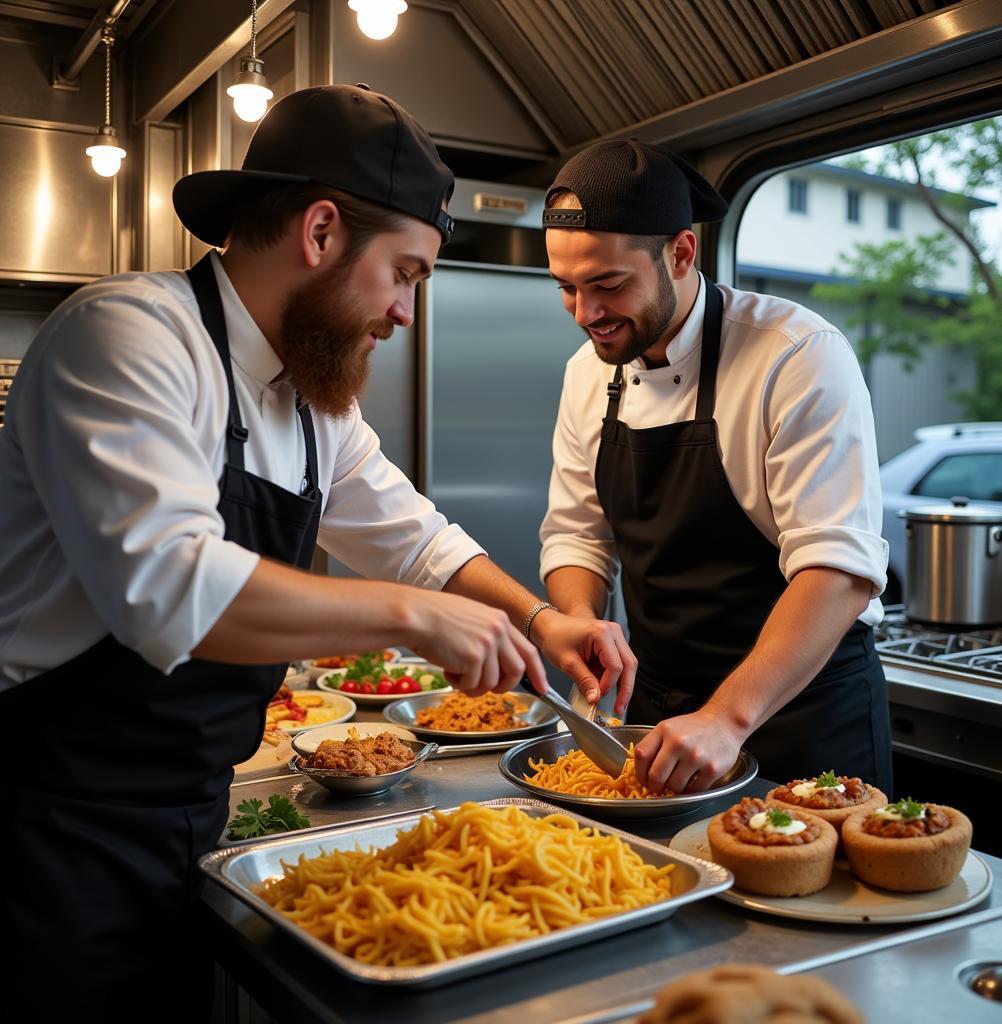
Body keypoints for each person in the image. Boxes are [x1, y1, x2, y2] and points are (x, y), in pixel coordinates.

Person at [0, 85, 633, 1020]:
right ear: (322, 231)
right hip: (49, 824)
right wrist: (416, 618)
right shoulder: (128, 337)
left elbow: (412, 538)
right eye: (407, 274)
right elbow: (166, 585)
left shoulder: (310, 400)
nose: (409, 312)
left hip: (191, 806)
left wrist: (544, 620)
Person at [538, 138, 893, 799]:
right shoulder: (587, 374)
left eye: (608, 285)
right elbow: (576, 534)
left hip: (799, 716)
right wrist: (583, 615)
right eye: (567, 289)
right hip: (657, 715)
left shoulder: (795, 355)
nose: (586, 316)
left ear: (679, 253)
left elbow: (838, 570)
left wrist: (727, 716)